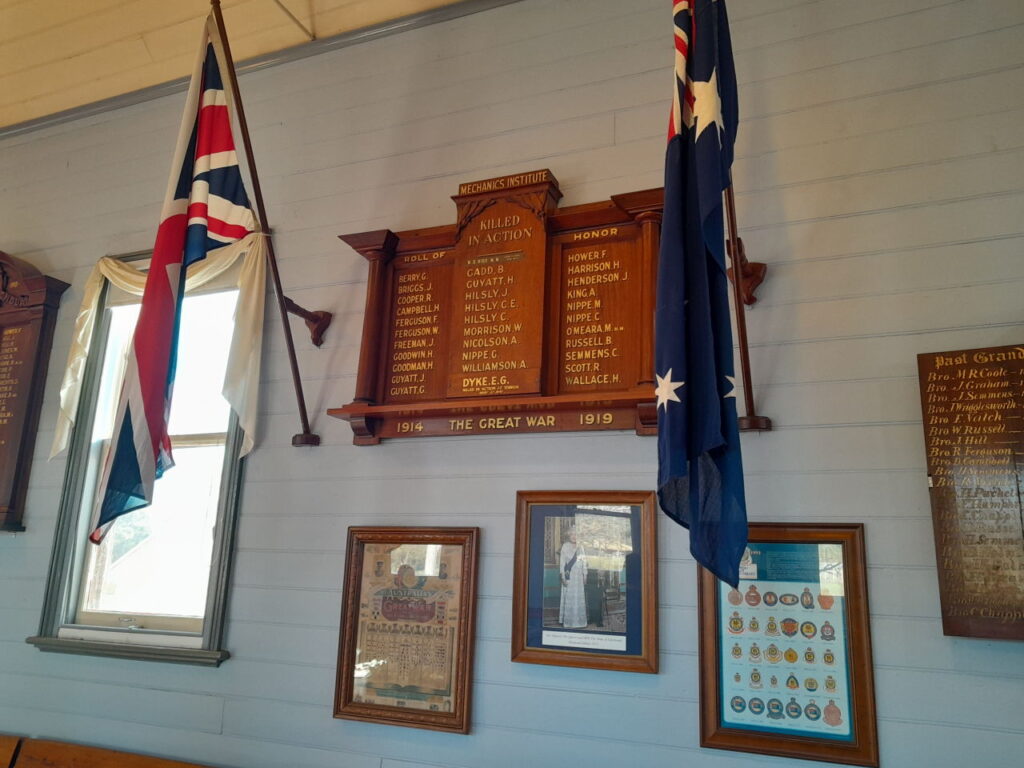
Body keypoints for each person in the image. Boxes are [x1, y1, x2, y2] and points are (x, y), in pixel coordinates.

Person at [558, 525, 588, 628]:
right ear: (569, 535)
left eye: (576, 534)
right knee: (569, 597)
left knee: (578, 598)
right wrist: (563, 577)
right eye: (572, 534)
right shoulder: (565, 546)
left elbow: (584, 561)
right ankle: (569, 621)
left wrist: (585, 574)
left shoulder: (581, 547)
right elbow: (562, 563)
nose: (574, 536)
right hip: (569, 575)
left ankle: (580, 621)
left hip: (579, 577)